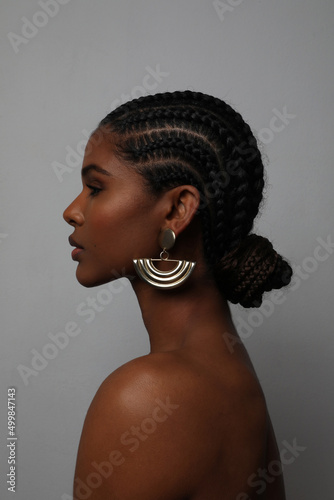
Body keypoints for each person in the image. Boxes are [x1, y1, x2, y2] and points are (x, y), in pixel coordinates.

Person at [63, 91, 292, 500]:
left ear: (176, 211)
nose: (72, 211)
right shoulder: (234, 379)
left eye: (95, 188)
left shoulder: (145, 395)